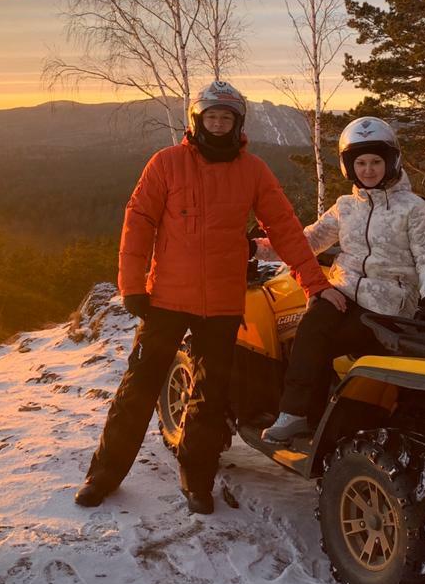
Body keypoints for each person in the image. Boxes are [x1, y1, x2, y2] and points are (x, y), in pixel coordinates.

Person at [75, 81, 339, 514]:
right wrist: (132, 285)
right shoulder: (167, 163)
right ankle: (102, 476)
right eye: (211, 117)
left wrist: (314, 283)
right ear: (197, 121)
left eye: (227, 118)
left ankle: (197, 480)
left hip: (221, 303)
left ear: (237, 124)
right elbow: (138, 221)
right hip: (165, 299)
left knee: (209, 395)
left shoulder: (253, 170)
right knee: (139, 386)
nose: (219, 125)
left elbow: (286, 229)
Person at [260, 116, 425, 444]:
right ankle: (297, 413)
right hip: (345, 291)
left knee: (322, 339)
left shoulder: (412, 208)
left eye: (376, 162)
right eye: (360, 163)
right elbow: (308, 240)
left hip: (389, 301)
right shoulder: (346, 206)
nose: (368, 170)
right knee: (312, 325)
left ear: (391, 162)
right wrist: (260, 246)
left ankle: (327, 421)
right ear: (350, 167)